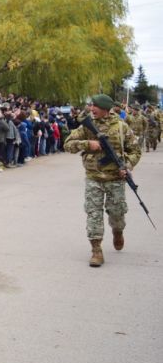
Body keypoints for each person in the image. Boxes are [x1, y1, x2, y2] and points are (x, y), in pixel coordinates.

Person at [64, 94, 141, 267]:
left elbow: (135, 150)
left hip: (116, 179)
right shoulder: (87, 126)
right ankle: (96, 250)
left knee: (117, 214)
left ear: (105, 109)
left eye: (95, 107)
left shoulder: (122, 127)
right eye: (90, 106)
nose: (91, 109)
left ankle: (118, 231)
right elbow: (67, 144)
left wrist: (127, 165)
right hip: (93, 178)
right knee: (93, 213)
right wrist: (87, 144)